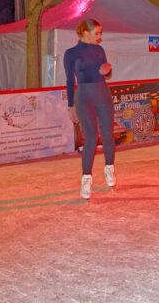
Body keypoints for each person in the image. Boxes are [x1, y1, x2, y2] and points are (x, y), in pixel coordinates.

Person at [64, 19, 116, 199]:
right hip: (83, 96)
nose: (100, 37)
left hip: (102, 94)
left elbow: (106, 71)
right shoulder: (71, 53)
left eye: (101, 33)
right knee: (91, 137)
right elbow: (70, 81)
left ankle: (109, 167)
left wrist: (107, 70)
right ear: (85, 32)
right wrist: (70, 106)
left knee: (108, 134)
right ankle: (86, 178)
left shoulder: (99, 50)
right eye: (97, 34)